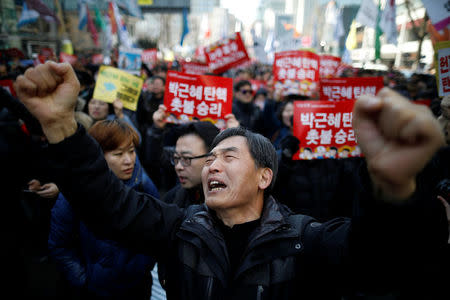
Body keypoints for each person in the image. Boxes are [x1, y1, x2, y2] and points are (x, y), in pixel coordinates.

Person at [15, 61, 448, 299]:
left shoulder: (307, 240)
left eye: (228, 156)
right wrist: (60, 127)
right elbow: (109, 205)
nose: (212, 166)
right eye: (211, 157)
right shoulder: (179, 229)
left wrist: (394, 190)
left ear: (265, 175)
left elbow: (382, 260)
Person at [48, 119, 159, 299]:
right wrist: (83, 281)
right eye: (118, 154)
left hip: (137, 286)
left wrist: (142, 267)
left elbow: (156, 234)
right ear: (97, 155)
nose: (128, 160)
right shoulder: (74, 192)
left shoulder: (144, 185)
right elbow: (60, 245)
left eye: (131, 151)